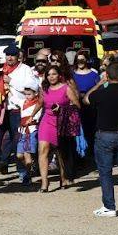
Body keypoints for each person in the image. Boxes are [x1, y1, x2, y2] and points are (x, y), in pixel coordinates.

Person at [0, 45, 38, 183]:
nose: (10, 58)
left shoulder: (25, 70)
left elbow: (33, 87)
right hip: (2, 110)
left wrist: (12, 82)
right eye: (8, 55)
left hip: (17, 111)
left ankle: (24, 174)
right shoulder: (1, 69)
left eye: (12, 55)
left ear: (18, 56)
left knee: (18, 143)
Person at [84, 61, 118, 216]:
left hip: (105, 134)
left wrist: (100, 84)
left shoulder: (101, 93)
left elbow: (86, 99)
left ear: (107, 76)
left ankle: (109, 206)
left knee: (105, 171)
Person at [37, 64, 81, 192]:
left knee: (61, 152)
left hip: (62, 122)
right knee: (43, 150)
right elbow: (40, 103)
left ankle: (63, 177)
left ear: (59, 75)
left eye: (54, 74)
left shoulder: (66, 88)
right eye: (49, 74)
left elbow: (78, 106)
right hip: (46, 121)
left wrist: (62, 108)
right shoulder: (44, 89)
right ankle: (45, 183)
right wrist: (31, 116)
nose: (51, 77)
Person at [16, 84, 42, 185]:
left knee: (27, 155)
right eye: (25, 94)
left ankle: (27, 176)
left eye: (29, 94)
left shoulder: (38, 104)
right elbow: (13, 96)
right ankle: (32, 167)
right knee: (19, 155)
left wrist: (33, 120)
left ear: (35, 94)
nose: (27, 96)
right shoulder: (22, 102)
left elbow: (38, 116)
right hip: (22, 131)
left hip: (32, 130)